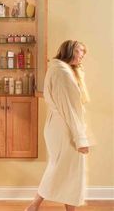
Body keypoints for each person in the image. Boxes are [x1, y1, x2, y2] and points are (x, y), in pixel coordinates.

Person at [25, 40, 90, 211]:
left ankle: (37, 206)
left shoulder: (62, 70)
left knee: (68, 170)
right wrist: (80, 138)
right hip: (64, 128)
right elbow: (68, 108)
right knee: (62, 169)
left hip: (61, 126)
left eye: (83, 52)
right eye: (79, 51)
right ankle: (34, 205)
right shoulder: (61, 73)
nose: (82, 55)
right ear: (68, 51)